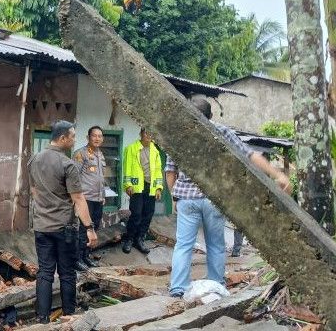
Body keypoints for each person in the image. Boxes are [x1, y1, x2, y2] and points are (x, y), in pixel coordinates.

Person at [166, 99, 291, 298]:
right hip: (214, 199)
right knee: (215, 245)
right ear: (211, 116)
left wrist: (175, 196)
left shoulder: (179, 134)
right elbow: (249, 154)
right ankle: (216, 284)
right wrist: (278, 174)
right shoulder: (221, 131)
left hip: (187, 199)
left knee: (183, 245)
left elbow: (170, 171)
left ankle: (178, 287)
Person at [28, 120, 99, 324]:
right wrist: (89, 228)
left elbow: (34, 191)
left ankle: (42, 319)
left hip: (42, 226)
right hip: (64, 228)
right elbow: (78, 198)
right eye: (73, 136)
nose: (74, 139)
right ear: (62, 138)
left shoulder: (34, 160)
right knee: (67, 272)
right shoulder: (67, 164)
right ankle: (69, 316)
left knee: (45, 272)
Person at [121, 128, 163, 254]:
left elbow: (158, 171)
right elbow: (127, 167)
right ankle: (129, 239)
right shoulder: (131, 148)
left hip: (151, 187)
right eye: (146, 133)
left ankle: (140, 239)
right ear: (141, 134)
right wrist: (128, 185)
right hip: (137, 186)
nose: (149, 135)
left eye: (151, 133)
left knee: (148, 214)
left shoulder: (155, 150)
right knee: (136, 214)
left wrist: (159, 188)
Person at [73, 125, 106, 271]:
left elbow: (101, 178)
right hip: (85, 199)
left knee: (94, 228)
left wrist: (103, 195)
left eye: (100, 136)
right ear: (88, 137)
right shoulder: (81, 154)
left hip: (98, 199)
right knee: (83, 229)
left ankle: (86, 256)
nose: (97, 138)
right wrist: (76, 198)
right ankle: (77, 259)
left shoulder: (100, 155)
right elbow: (73, 177)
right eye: (94, 136)